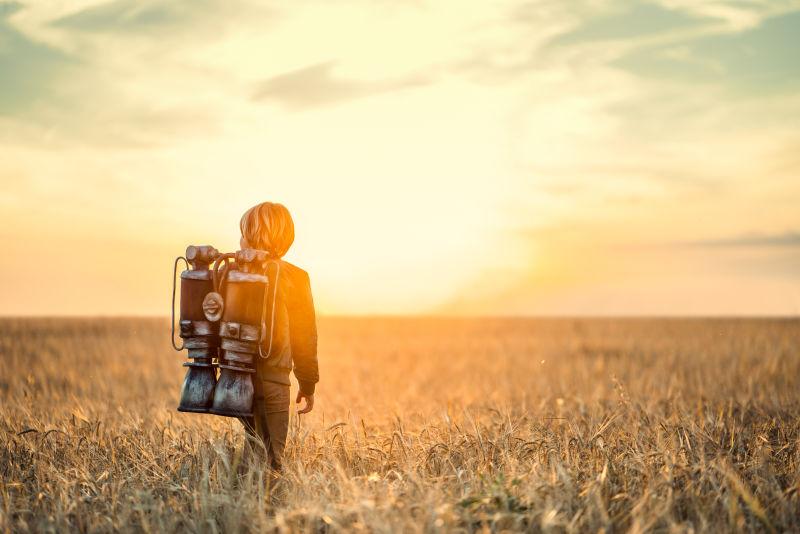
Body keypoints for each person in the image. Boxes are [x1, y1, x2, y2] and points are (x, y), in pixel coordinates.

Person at [237, 202, 318, 471]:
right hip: (274, 380)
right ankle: (265, 508)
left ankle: (244, 502)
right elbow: (304, 336)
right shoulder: (295, 277)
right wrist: (307, 383)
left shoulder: (232, 272)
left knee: (253, 449)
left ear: (249, 234)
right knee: (273, 461)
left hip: (234, 378)